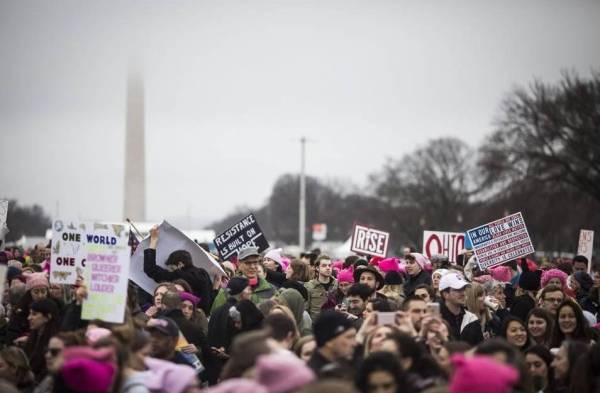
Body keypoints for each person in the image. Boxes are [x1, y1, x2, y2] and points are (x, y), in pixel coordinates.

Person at [143, 226, 213, 314]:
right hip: (201, 317)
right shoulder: (204, 274)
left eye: (172, 268)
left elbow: (151, 269)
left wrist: (153, 241)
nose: (172, 271)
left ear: (180, 264)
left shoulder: (181, 276)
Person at [210, 247, 275, 313]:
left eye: (255, 262)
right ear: (239, 264)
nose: (252, 266)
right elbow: (216, 317)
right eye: (248, 263)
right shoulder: (226, 291)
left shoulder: (271, 290)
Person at [308, 310, 357, 377]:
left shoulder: (341, 364)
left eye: (354, 337)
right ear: (328, 341)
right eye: (349, 337)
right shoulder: (314, 376)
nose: (355, 343)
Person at [438, 273, 483, 345]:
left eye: (464, 289)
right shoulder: (436, 319)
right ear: (445, 294)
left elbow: (480, 351)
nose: (463, 293)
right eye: (458, 290)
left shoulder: (472, 319)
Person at [24, 298, 60, 381]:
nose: (29, 318)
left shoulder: (55, 342)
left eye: (34, 314)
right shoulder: (34, 335)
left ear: (47, 317)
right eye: (30, 314)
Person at [305, 255, 338, 320]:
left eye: (329, 265)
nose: (328, 268)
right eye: (324, 266)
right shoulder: (309, 286)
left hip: (334, 324)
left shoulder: (337, 284)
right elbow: (305, 310)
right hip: (316, 325)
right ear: (317, 268)